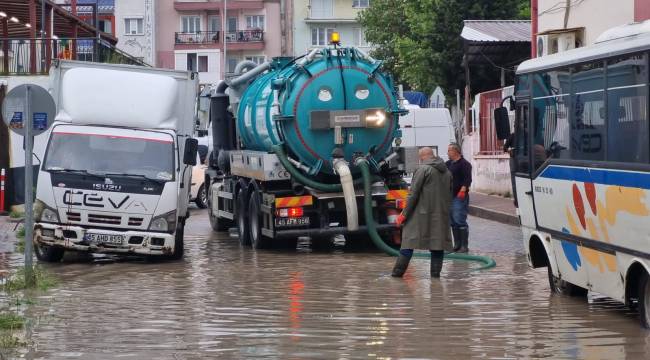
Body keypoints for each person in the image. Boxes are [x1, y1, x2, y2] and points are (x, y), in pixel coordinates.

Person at [392, 147, 453, 278]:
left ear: (422, 157)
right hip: (440, 215)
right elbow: (449, 194)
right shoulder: (447, 172)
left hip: (420, 215)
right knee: (437, 244)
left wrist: (403, 214)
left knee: (408, 241)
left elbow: (413, 194)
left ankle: (397, 275)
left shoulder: (423, 169)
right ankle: (435, 278)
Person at [446, 143, 472, 253]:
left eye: (449, 150)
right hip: (449, 196)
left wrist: (464, 188)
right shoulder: (448, 164)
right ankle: (456, 245)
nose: (447, 153)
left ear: (455, 151)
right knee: (452, 221)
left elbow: (467, 179)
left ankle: (464, 246)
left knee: (459, 219)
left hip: (459, 196)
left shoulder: (464, 164)